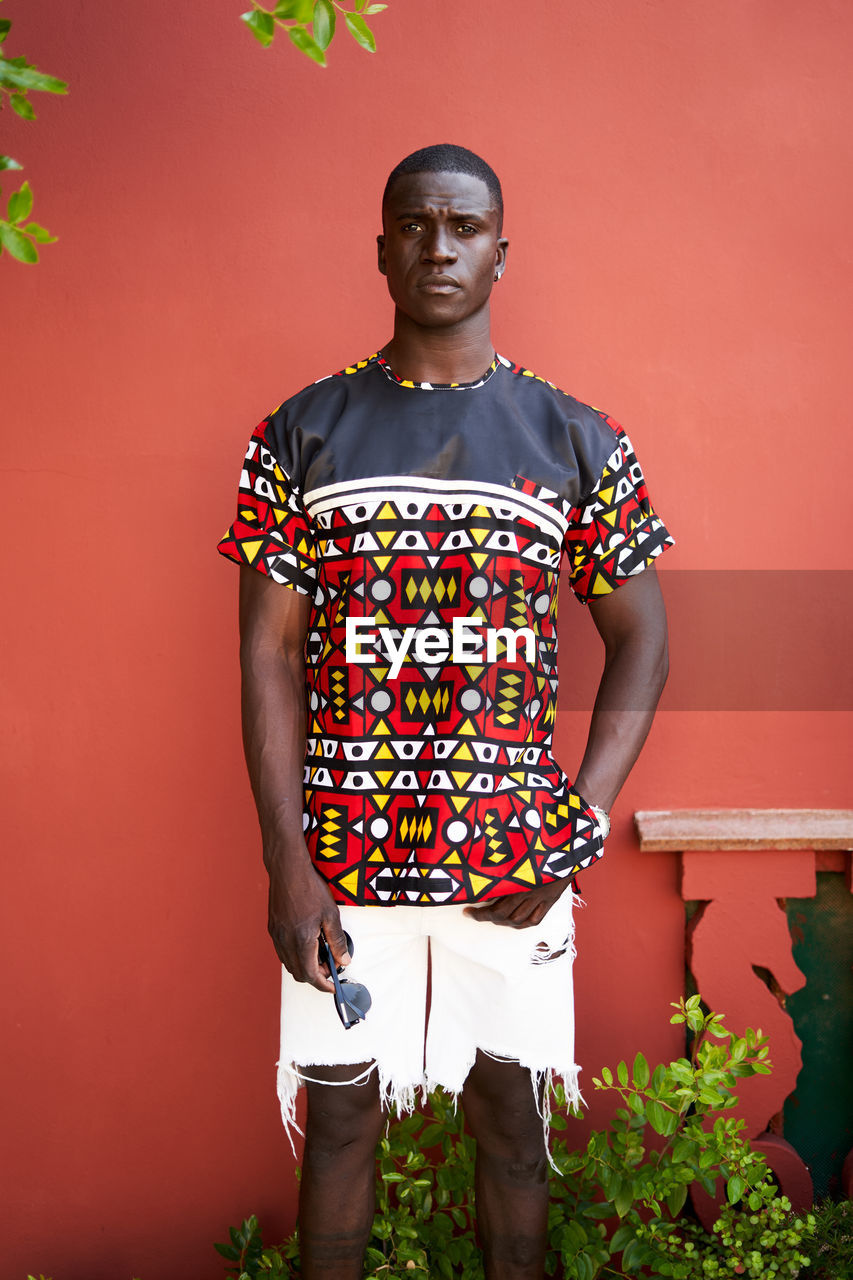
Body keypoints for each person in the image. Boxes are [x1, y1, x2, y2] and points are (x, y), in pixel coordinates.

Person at [217, 143, 673, 1280]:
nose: (437, 246)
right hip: (342, 866)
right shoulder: (300, 432)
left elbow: (644, 636)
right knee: (338, 1133)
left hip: (513, 866)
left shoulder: (576, 439)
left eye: (463, 227)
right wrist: (287, 858)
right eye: (414, 225)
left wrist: (571, 834)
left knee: (514, 1134)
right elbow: (266, 652)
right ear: (379, 247)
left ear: (500, 253)